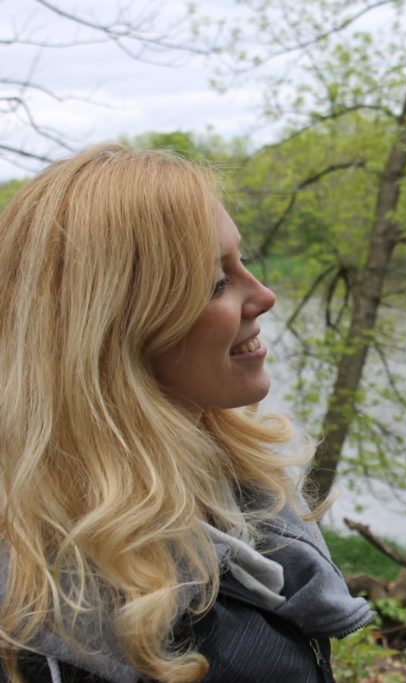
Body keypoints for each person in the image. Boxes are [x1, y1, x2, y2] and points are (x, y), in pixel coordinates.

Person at [0, 145, 373, 682]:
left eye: (244, 262)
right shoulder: (65, 621)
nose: (263, 295)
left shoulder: (233, 495)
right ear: (114, 331)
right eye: (216, 282)